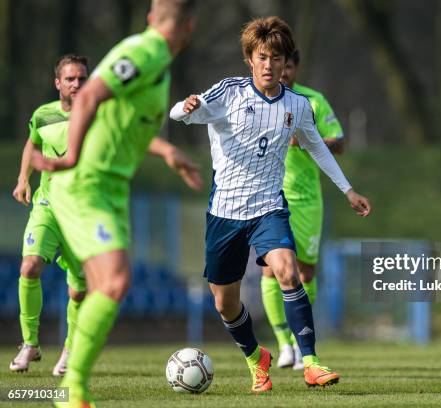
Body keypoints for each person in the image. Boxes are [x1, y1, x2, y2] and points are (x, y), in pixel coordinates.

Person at [169, 16, 371, 393]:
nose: (269, 65)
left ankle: (310, 361)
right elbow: (177, 115)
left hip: (268, 208)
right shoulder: (228, 93)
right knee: (225, 304)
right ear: (250, 58)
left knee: (288, 271)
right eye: (262, 57)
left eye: (276, 58)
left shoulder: (297, 104)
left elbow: (317, 149)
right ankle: (256, 359)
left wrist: (347, 190)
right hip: (225, 213)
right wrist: (187, 105)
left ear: (285, 62)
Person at [30, 1, 199, 406]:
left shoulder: (157, 63)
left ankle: (73, 387)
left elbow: (121, 122)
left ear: (150, 16)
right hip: (88, 184)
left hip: (111, 189)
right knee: (114, 282)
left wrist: (165, 152)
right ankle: (73, 391)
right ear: (189, 27)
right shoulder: (147, 51)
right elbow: (89, 97)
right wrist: (70, 155)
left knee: (103, 287)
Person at [261, 49, 345, 370]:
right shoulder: (259, 100)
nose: (280, 72)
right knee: (270, 269)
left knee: (305, 273)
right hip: (271, 197)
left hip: (308, 200)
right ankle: (283, 343)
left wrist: (310, 140)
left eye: (287, 65)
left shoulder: (313, 101)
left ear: (293, 67)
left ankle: (299, 342)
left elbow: (339, 141)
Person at [10, 54, 89, 377]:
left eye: (82, 78)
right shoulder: (43, 115)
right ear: (58, 82)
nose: (76, 84)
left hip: (82, 212)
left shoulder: (97, 115)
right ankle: (30, 344)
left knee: (78, 290)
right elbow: (33, 144)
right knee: (29, 266)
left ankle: (70, 348)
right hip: (48, 206)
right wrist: (22, 179)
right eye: (70, 78)